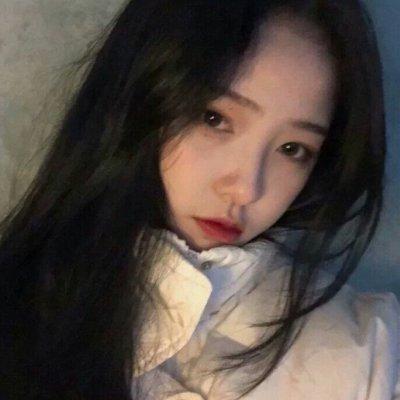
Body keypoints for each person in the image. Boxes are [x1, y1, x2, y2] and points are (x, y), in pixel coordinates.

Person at [0, 0, 398, 399]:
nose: (246, 190)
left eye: (292, 149)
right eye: (214, 119)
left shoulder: (366, 357)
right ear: (138, 95)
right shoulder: (21, 305)